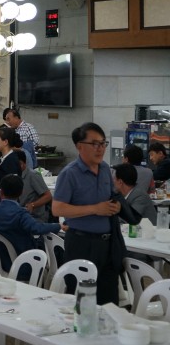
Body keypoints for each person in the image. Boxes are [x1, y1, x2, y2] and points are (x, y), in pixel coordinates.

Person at [53, 122, 140, 305]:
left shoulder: (106, 169)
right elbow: (57, 208)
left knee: (109, 303)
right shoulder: (70, 174)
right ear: (79, 146)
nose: (100, 148)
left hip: (107, 244)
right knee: (83, 302)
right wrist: (94, 209)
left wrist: (116, 208)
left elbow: (109, 199)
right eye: (94, 144)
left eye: (103, 143)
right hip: (82, 243)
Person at [0, 175, 63, 276]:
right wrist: (59, 226)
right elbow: (37, 228)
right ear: (21, 192)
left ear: (1, 192)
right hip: (24, 265)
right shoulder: (21, 214)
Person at [15, 149, 52, 222]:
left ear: (21, 164)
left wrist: (32, 205)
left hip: (34, 218)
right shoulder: (15, 175)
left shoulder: (33, 175)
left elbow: (48, 196)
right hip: (19, 215)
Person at [0, 127, 23, 205]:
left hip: (6, 201)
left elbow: (12, 184)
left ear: (5, 142)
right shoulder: (4, 158)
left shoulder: (11, 160)